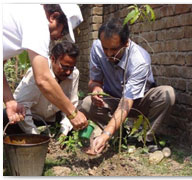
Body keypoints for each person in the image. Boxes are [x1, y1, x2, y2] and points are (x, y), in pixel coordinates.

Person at [79, 18, 176, 155]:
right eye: (105, 48)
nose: (108, 54)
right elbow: (95, 80)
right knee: (87, 103)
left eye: (113, 49)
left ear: (126, 43)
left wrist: (105, 134)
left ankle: (148, 139)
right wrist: (96, 89)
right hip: (113, 99)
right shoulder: (97, 48)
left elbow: (126, 103)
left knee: (167, 94)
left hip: (139, 102)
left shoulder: (140, 60)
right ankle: (119, 136)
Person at [3, 4, 88, 131]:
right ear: (54, 17)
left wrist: (9, 101)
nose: (61, 36)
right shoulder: (38, 21)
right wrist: (73, 113)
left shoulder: (23, 14)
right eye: (63, 30)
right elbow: (43, 79)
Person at [3, 41, 79, 138]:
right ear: (52, 59)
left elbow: (71, 104)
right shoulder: (36, 73)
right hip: (32, 117)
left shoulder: (74, 74)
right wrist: (36, 136)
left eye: (71, 68)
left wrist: (64, 131)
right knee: (6, 117)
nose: (68, 72)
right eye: (64, 67)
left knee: (80, 114)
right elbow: (23, 106)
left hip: (54, 118)